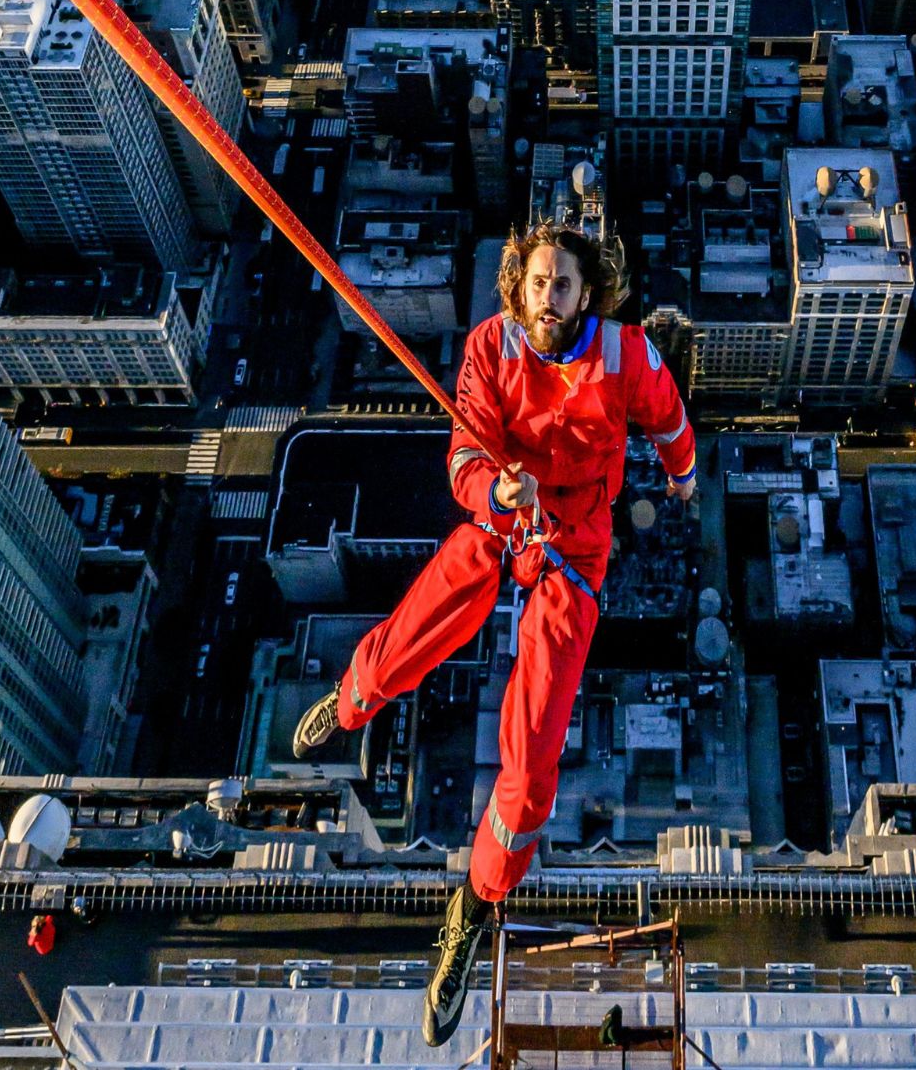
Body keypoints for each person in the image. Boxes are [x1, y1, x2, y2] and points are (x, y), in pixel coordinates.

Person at [291, 222, 696, 1045]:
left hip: (574, 547)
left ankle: (473, 909)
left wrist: (684, 475)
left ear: (589, 297)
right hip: (507, 519)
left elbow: (669, 417)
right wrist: (495, 493)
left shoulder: (623, 357)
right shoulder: (489, 346)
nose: (551, 296)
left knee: (535, 753)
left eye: (566, 285)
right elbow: (465, 450)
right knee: (435, 606)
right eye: (540, 281)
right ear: (522, 287)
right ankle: (356, 695)